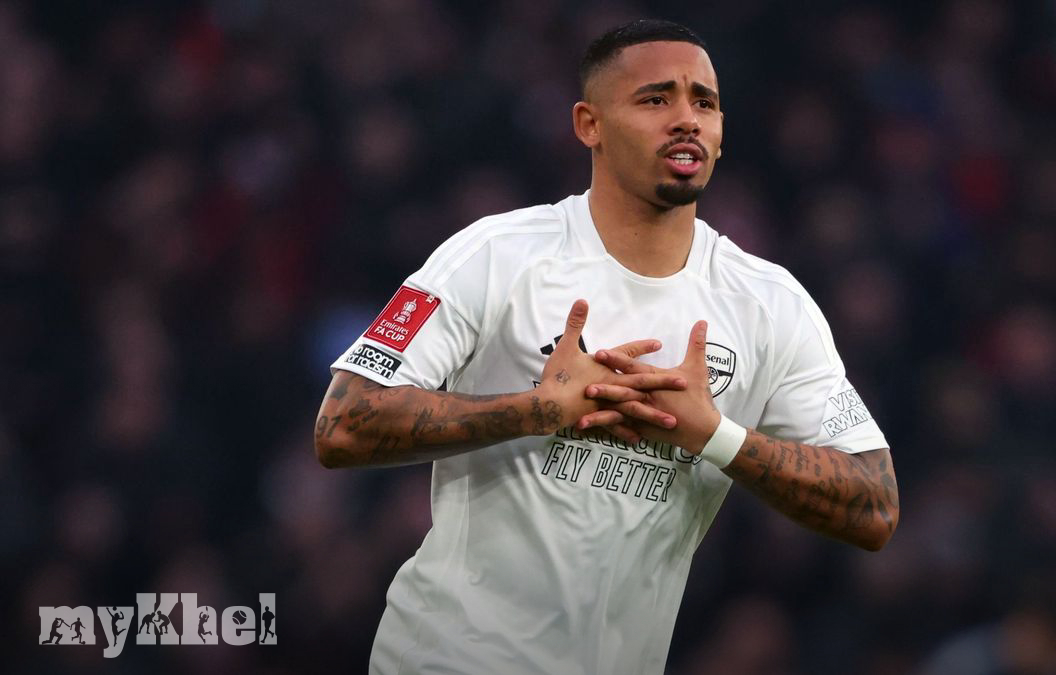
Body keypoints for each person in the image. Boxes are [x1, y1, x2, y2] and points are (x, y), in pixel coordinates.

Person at [315, 19, 898, 675]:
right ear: (589, 124)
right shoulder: (495, 254)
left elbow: (874, 504)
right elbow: (342, 423)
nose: (686, 119)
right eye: (656, 99)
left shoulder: (771, 306)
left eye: (704, 102)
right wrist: (537, 410)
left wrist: (713, 435)